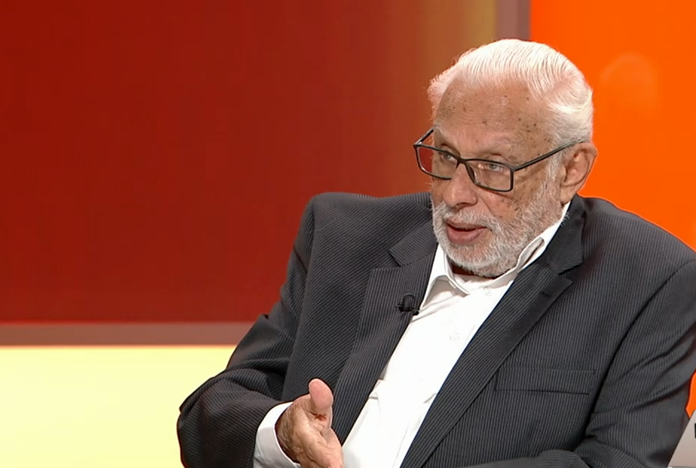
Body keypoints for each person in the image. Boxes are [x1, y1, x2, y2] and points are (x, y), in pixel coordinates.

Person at [176, 39, 696, 468]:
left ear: (571, 170)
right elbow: (210, 413)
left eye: (493, 167)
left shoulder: (648, 280)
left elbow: (616, 461)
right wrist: (280, 432)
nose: (454, 195)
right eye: (445, 156)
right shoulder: (345, 236)